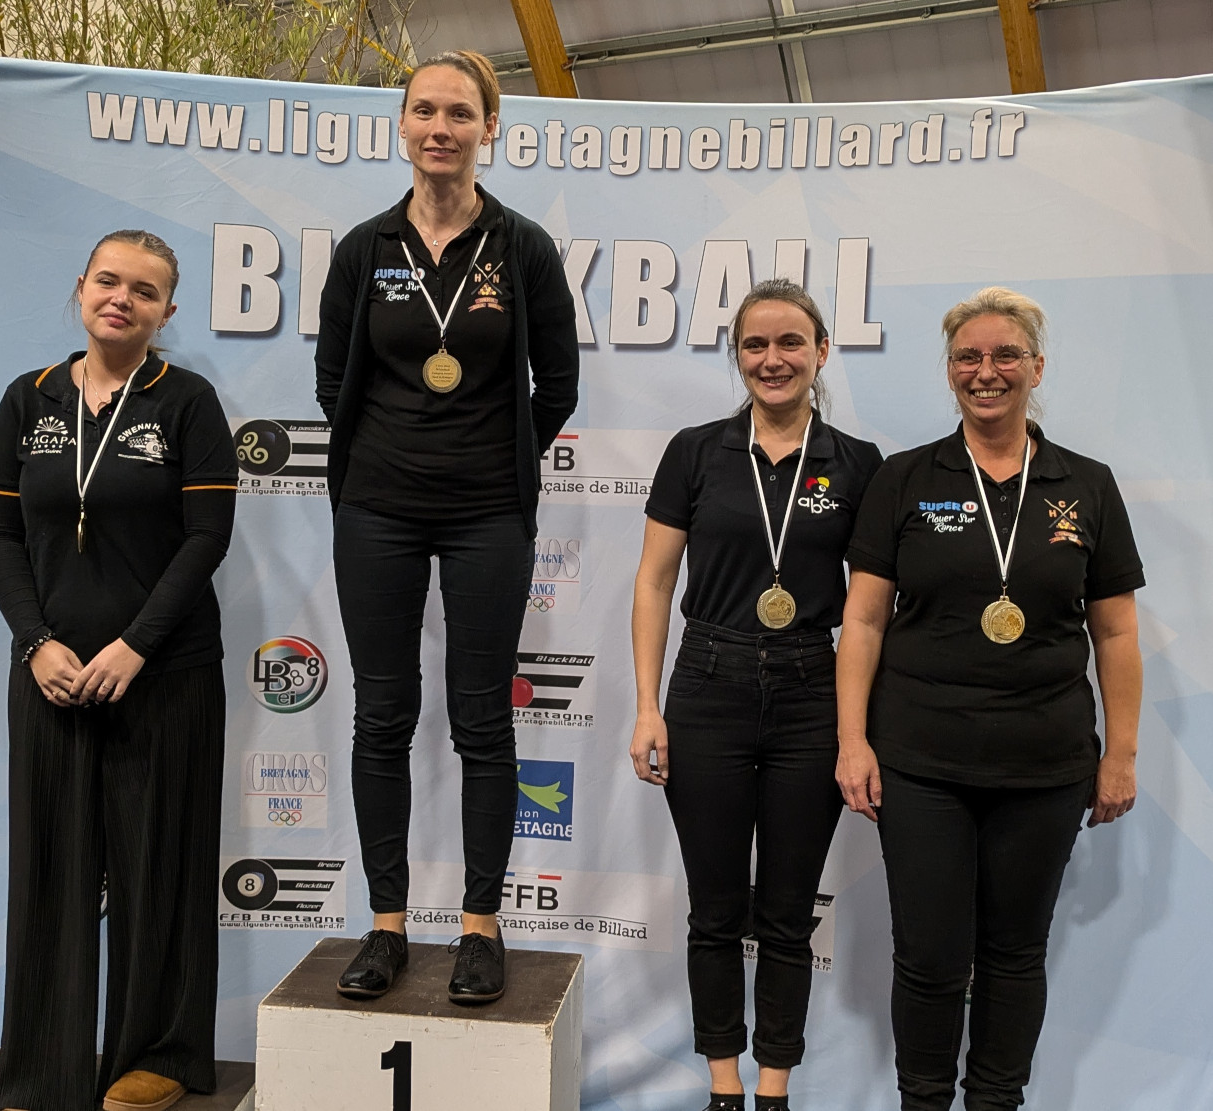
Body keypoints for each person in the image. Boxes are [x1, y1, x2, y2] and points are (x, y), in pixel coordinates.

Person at [836, 287, 1143, 1111]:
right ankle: (923, 1101)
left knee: (1013, 954)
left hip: (1043, 766)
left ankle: (995, 1103)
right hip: (921, 762)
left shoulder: (1086, 485)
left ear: (1035, 368)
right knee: (929, 958)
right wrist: (851, 742)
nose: (987, 371)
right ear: (948, 373)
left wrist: (1119, 753)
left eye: (1005, 355)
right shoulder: (905, 478)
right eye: (969, 357)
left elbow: (1114, 635)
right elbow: (861, 621)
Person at [314, 48, 578, 1005]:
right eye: (423, 110)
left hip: (485, 516)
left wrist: (491, 461)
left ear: (487, 128)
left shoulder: (523, 247)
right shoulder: (365, 248)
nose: (439, 127)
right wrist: (375, 467)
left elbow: (559, 385)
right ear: (403, 126)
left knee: (480, 718)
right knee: (381, 713)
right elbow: (332, 381)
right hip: (376, 511)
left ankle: (478, 923)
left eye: (458, 112)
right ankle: (385, 923)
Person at [0, 230, 238, 1111]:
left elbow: (206, 538)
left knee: (157, 866)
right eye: (108, 280)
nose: (122, 298)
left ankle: (157, 1052)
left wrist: (135, 645)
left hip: (165, 674)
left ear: (168, 311)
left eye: (145, 289)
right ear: (80, 288)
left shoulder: (188, 402)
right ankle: (45, 1066)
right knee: (50, 868)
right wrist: (34, 641)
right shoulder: (28, 399)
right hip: (49, 674)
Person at [630, 279, 883, 1111]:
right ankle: (723, 1087)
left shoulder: (855, 464)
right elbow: (654, 581)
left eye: (789, 343)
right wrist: (645, 703)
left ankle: (773, 1089)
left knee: (784, 910)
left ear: (818, 353)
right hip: (707, 684)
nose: (771, 360)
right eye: (754, 345)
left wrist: (855, 731)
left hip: (811, 688)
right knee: (713, 908)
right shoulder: (696, 451)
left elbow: (866, 609)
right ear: (736, 355)